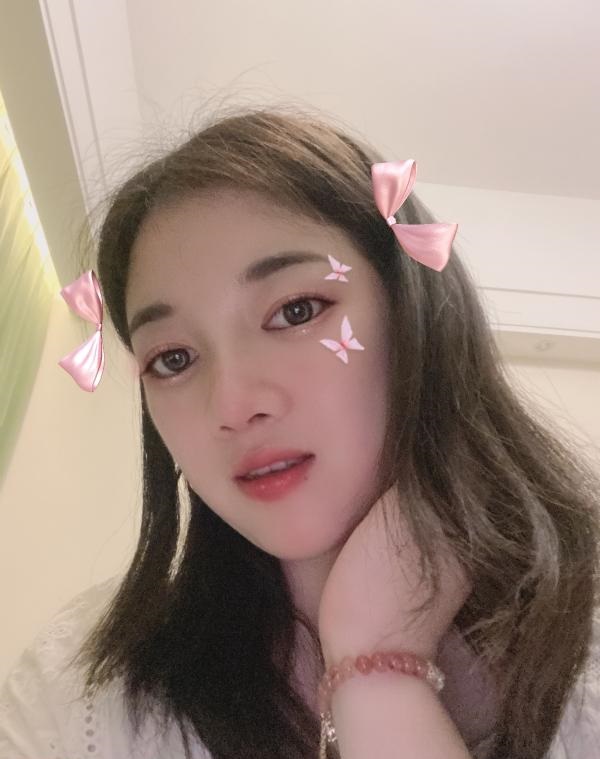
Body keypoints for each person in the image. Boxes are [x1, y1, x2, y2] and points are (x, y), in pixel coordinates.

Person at [1, 108, 599, 759]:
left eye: (296, 310)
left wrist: (376, 672)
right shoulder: (73, 693)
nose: (232, 405)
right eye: (172, 358)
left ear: (415, 317)